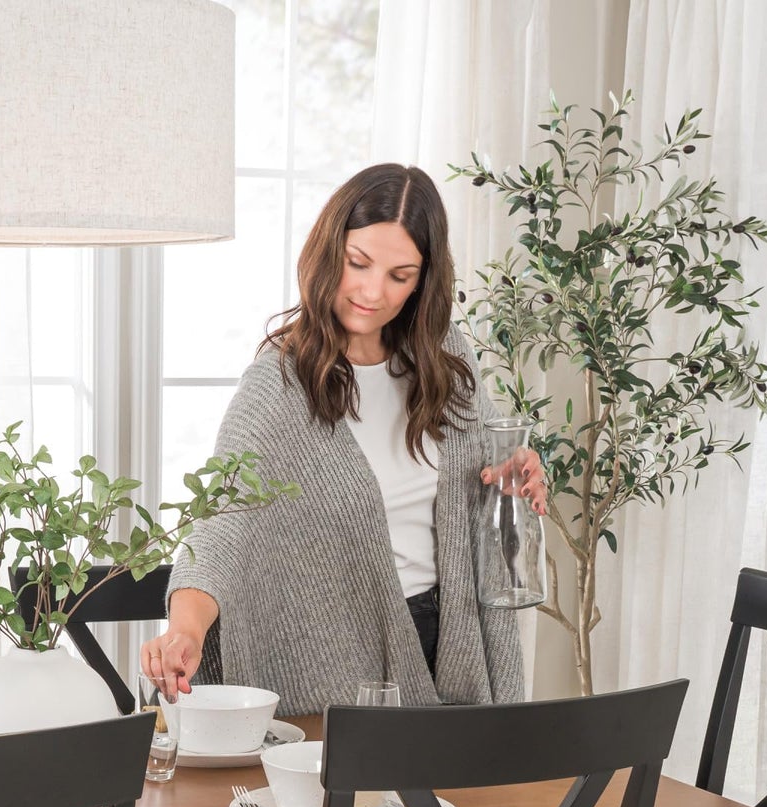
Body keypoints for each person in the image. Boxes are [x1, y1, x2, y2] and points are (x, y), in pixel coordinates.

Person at [141, 162, 548, 710]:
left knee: (473, 772)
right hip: (348, 652)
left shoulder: (446, 359)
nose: (373, 291)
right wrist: (185, 630)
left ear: (424, 280)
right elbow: (221, 523)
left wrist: (520, 469)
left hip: (457, 641)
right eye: (358, 263)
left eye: (400, 275)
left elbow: (490, 455)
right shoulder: (280, 384)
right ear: (329, 251)